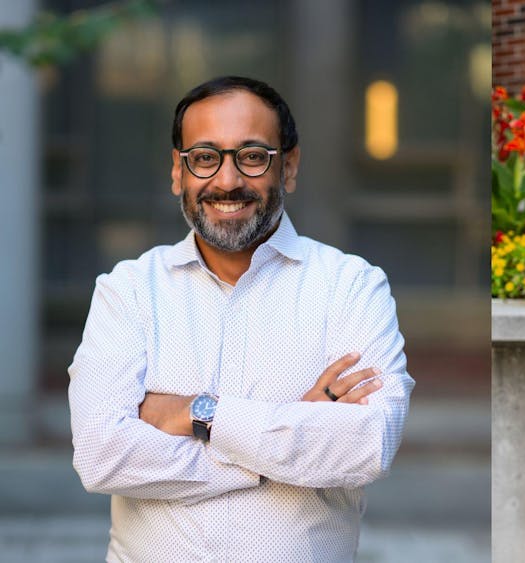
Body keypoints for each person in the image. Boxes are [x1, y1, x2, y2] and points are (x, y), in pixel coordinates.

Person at [68, 76, 414, 562]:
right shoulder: (128, 290)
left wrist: (199, 415)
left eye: (252, 156)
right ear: (178, 171)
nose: (227, 181)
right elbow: (101, 456)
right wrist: (281, 445)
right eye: (205, 157)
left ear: (288, 167)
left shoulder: (351, 286)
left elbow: (368, 445)